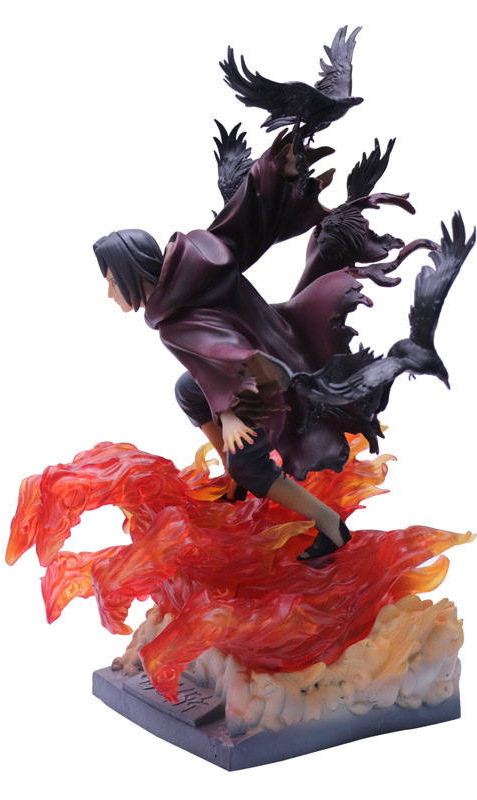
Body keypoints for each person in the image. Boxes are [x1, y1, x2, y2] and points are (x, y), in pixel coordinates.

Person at [93, 132, 380, 560]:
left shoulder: (174, 324)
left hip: (265, 372)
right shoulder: (198, 253)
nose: (110, 293)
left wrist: (229, 415)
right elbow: (242, 219)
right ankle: (233, 473)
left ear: (132, 273)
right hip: (279, 340)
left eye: (113, 282)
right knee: (188, 391)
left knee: (251, 463)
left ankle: (330, 525)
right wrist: (272, 171)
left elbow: (227, 352)